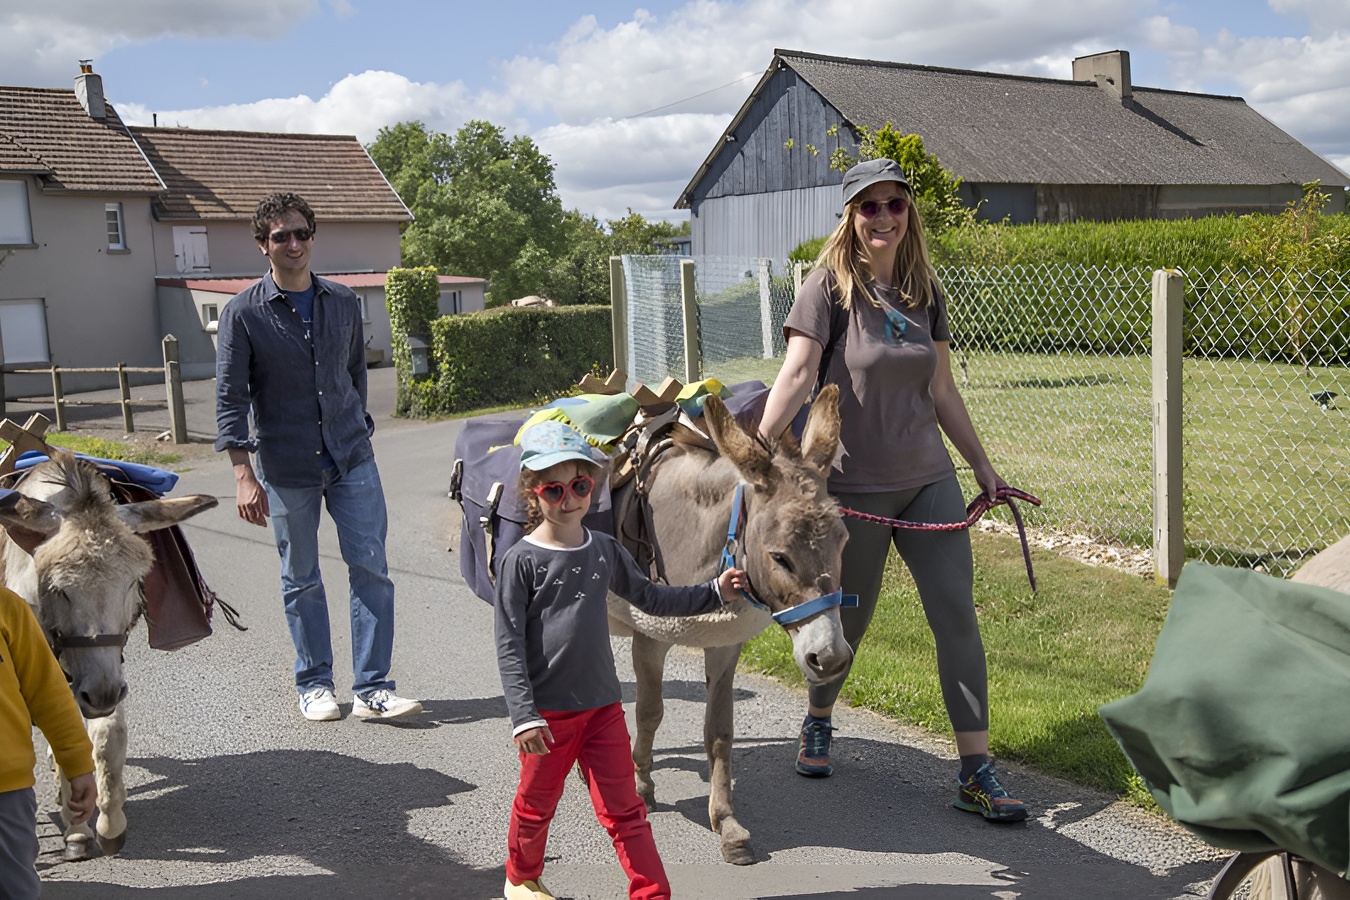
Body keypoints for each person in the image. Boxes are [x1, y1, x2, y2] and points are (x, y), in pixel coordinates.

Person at [757, 158, 1027, 823]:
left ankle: (976, 772)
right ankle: (818, 719)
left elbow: (941, 391)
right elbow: (794, 375)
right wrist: (760, 452)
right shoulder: (826, 289)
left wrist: (983, 468)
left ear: (909, 212)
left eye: (894, 205)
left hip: (927, 481)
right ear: (850, 216)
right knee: (848, 622)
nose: (883, 217)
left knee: (957, 618)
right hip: (853, 492)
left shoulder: (922, 289)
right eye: (869, 206)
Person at [494, 420, 747, 900]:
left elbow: (653, 598)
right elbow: (509, 644)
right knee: (536, 805)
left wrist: (715, 592)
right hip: (548, 716)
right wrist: (523, 716)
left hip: (603, 710)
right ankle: (521, 877)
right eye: (554, 489)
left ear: (593, 485)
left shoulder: (604, 550)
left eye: (580, 485)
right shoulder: (521, 562)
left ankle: (651, 892)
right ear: (533, 493)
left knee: (626, 809)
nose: (568, 499)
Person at [215, 192, 421, 722]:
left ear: (312, 238)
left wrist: (359, 430)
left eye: (301, 233)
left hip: (351, 458)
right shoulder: (243, 314)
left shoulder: (343, 302)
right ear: (263, 245)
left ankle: (374, 688)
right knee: (301, 576)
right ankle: (315, 685)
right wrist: (244, 474)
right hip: (287, 468)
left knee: (371, 568)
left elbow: (354, 375)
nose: (293, 243)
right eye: (280, 236)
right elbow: (231, 400)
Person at [1, 582, 97, 899]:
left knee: (14, 887)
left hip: (5, 793)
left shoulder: (8, 610)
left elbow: (50, 695)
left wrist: (78, 764)